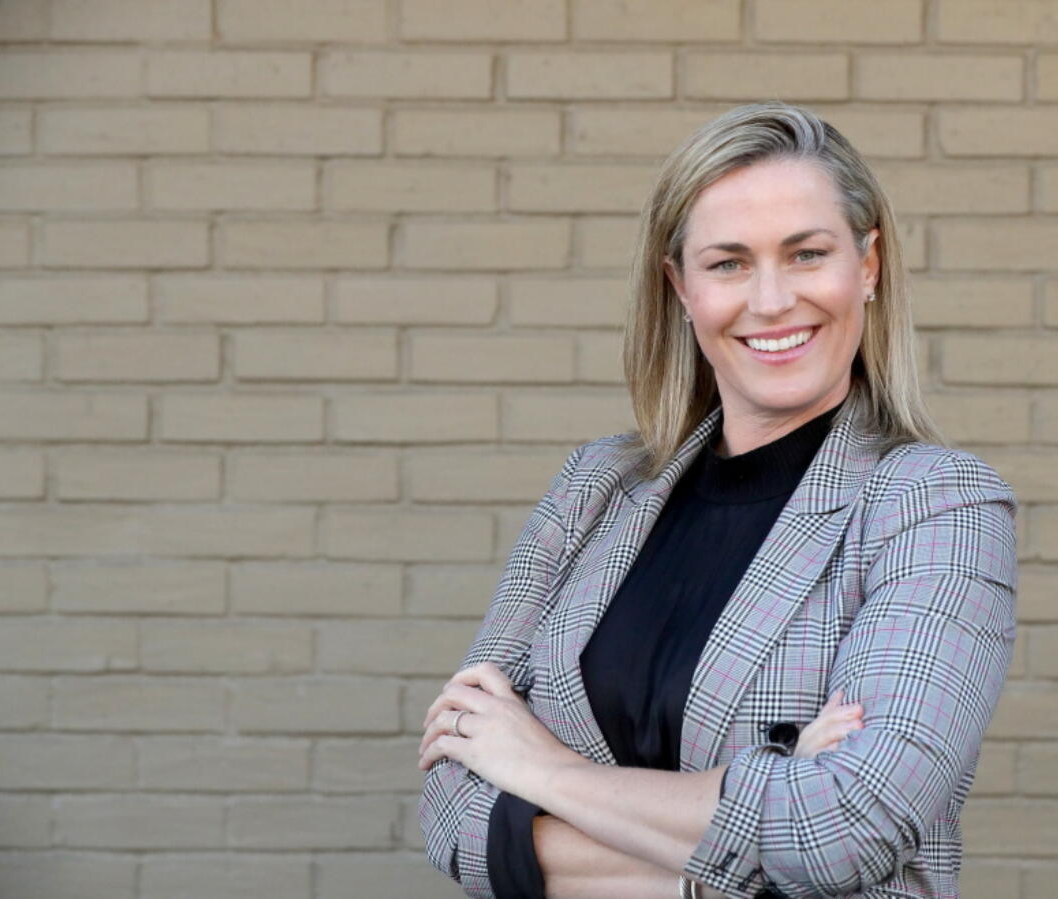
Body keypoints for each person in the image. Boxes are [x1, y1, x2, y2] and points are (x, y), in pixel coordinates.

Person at [416, 102, 1017, 898]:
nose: (771, 301)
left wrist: (540, 766)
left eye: (807, 254)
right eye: (728, 263)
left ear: (867, 265)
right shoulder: (596, 488)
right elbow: (453, 811)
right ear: (681, 286)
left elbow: (847, 827)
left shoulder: (937, 507)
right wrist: (758, 820)